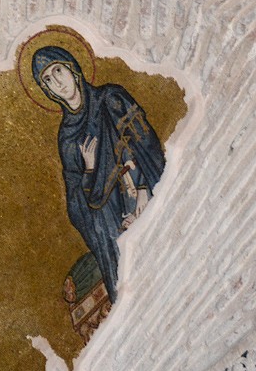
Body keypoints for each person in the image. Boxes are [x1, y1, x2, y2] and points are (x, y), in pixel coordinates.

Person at [32, 46, 165, 302]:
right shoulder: (67, 140)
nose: (57, 82)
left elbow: (146, 145)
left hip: (143, 195)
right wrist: (90, 169)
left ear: (72, 69)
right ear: (46, 90)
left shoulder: (112, 98)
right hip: (115, 222)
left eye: (58, 70)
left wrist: (143, 190)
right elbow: (77, 206)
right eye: (47, 79)